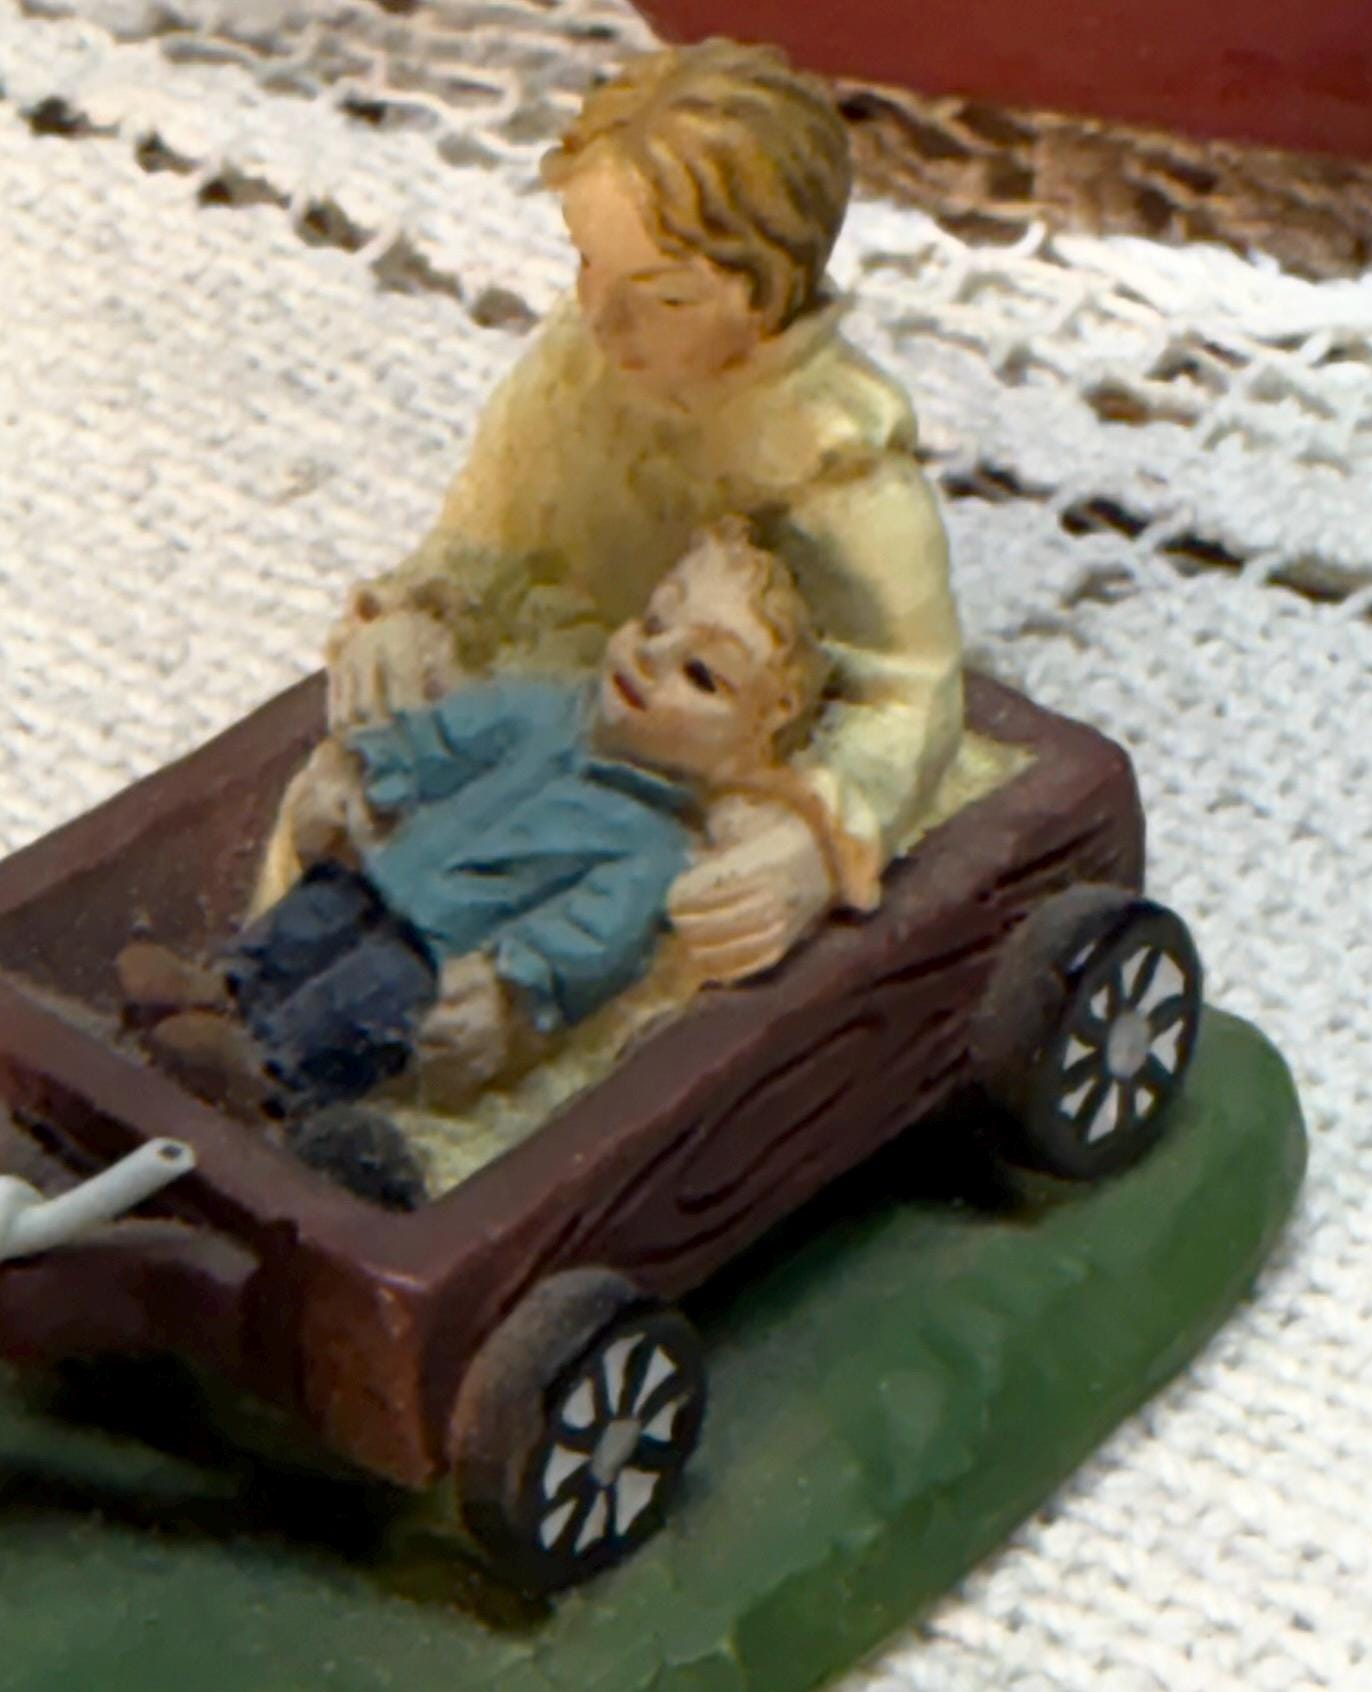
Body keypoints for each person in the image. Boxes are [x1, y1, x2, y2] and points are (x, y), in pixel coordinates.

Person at [259, 38, 964, 983]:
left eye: (665, 297)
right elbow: (488, 534)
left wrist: (813, 846)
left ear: (766, 295)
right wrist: (417, 610)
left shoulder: (832, 460)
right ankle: (272, 972)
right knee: (363, 791)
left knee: (607, 919)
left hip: (692, 769)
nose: (601, 318)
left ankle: (431, 1007)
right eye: (588, 262)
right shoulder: (579, 364)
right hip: (555, 693)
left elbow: (909, 693)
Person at [130, 521, 856, 1122]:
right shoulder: (537, 707)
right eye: (655, 621)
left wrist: (510, 986)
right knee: (308, 920)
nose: (650, 654)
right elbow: (445, 739)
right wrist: (371, 773)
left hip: (436, 954)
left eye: (701, 676)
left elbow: (588, 936)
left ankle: (268, 1073)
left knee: (360, 998)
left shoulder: (650, 845)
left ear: (749, 746)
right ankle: (223, 988)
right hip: (383, 871)